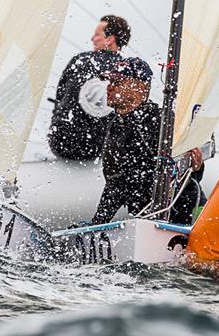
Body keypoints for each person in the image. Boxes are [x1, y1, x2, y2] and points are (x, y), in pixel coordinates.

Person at [84, 57, 205, 225]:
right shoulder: (115, 126)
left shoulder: (163, 121)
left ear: (140, 88)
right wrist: (96, 224)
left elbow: (188, 171)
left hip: (187, 216)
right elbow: (115, 184)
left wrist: (198, 166)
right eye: (109, 81)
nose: (109, 87)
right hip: (150, 221)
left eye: (117, 82)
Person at [47, 15, 131, 160]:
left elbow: (60, 96)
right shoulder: (127, 71)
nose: (92, 38)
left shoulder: (80, 60)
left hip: (61, 143)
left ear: (110, 40)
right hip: (98, 149)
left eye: (97, 35)